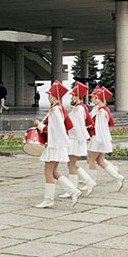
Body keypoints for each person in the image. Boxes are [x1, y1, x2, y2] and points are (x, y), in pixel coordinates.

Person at [33, 80, 82, 208]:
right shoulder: (59, 109)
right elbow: (65, 126)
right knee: (54, 172)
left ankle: (49, 200)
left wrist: (40, 125)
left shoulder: (55, 110)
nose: (48, 97)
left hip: (54, 145)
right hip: (57, 144)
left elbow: (55, 129)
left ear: (55, 96)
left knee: (48, 172)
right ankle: (73, 191)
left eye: (49, 95)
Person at [58, 81, 96, 198]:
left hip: (75, 138)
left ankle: (72, 189)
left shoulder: (78, 109)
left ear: (77, 96)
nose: (72, 97)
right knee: (71, 163)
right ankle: (89, 182)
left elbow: (76, 125)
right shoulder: (82, 107)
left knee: (71, 164)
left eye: (73, 95)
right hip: (76, 138)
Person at [87, 86, 125, 191]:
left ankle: (91, 182)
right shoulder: (102, 110)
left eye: (94, 97)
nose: (92, 99)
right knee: (100, 160)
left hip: (98, 138)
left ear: (99, 98)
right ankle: (118, 177)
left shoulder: (102, 111)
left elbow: (106, 124)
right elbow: (111, 122)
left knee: (91, 159)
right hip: (100, 138)